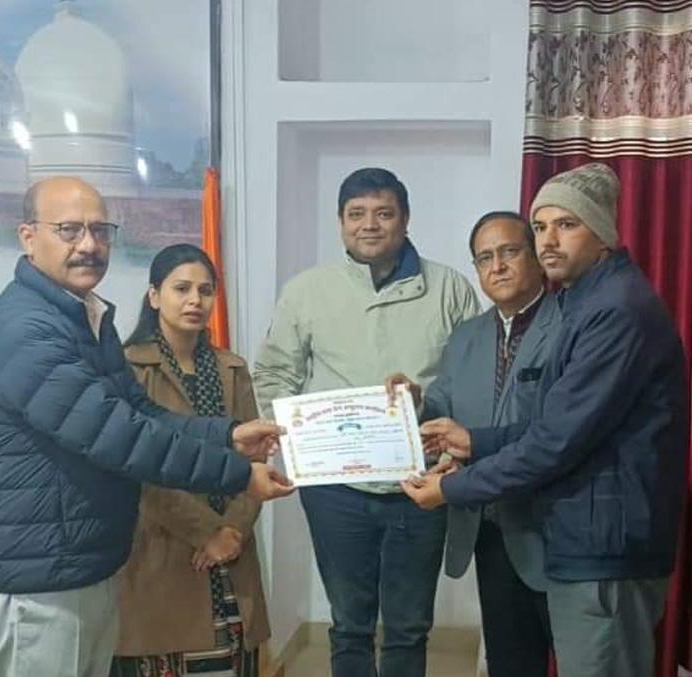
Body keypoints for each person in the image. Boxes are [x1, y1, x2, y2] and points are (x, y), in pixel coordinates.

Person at [0, 177, 294, 677]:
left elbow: (139, 412)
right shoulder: (24, 330)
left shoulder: (83, 319)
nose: (89, 245)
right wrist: (240, 474)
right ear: (28, 236)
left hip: (83, 562)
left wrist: (227, 436)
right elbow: (121, 437)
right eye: (69, 230)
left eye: (100, 230)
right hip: (42, 577)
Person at [404, 164, 689, 677]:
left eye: (567, 224)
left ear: (602, 231)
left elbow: (555, 442)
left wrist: (451, 488)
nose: (549, 241)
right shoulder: (589, 300)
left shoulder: (613, 310)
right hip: (580, 537)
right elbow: (552, 424)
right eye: (540, 226)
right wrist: (474, 441)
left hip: (603, 543)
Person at [254, 167, 480, 676]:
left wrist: (445, 446)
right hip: (335, 489)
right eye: (356, 214)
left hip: (421, 487)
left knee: (408, 626)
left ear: (405, 219)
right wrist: (296, 439)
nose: (369, 225)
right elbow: (274, 373)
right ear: (340, 222)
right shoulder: (307, 291)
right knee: (350, 624)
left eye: (383, 213)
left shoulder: (449, 288)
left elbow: (471, 381)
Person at [388, 211, 557, 677]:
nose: (497, 267)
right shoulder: (467, 336)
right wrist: (415, 403)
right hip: (489, 527)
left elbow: (562, 431)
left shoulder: (570, 324)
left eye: (509, 252)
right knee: (511, 663)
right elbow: (444, 406)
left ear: (536, 257)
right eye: (484, 258)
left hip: (555, 527)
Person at [112, 244, 270, 677]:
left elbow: (256, 460)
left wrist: (233, 530)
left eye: (205, 290)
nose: (194, 300)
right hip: (162, 547)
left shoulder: (232, 368)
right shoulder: (128, 369)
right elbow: (135, 467)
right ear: (154, 296)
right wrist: (206, 533)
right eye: (181, 289)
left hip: (232, 552)